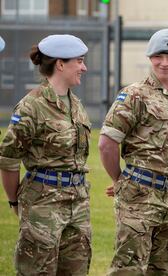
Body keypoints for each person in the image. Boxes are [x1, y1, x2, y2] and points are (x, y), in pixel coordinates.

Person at [98, 28, 168, 275]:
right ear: (150, 58)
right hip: (138, 196)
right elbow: (107, 143)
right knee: (128, 269)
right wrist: (119, 180)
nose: (165, 63)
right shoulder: (134, 95)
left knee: (165, 268)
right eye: (158, 56)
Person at [0, 34, 91, 275]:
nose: (84, 67)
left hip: (77, 204)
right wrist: (13, 200)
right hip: (43, 205)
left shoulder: (77, 105)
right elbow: (9, 160)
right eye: (79, 61)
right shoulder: (32, 106)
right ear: (60, 64)